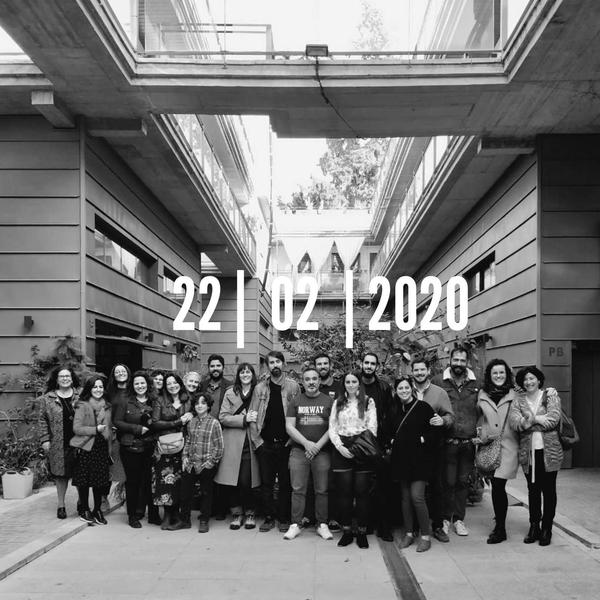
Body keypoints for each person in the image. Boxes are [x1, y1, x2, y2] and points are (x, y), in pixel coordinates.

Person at [509, 366, 562, 546]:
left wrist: (529, 421)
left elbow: (553, 420)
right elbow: (515, 423)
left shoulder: (550, 396)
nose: (529, 382)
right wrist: (539, 419)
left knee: (549, 491)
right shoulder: (518, 401)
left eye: (532, 378)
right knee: (533, 490)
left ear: (539, 380)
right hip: (528, 453)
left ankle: (547, 528)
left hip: (550, 452)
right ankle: (534, 526)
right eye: (525, 379)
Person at [249, 350, 300, 533]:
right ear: (267, 366)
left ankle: (283, 518)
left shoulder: (293, 387)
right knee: (267, 483)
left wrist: (293, 440)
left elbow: (298, 415)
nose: (275, 365)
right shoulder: (259, 389)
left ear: (283, 364)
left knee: (286, 483)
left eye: (278, 361)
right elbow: (252, 416)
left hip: (287, 444)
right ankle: (269, 517)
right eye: (271, 362)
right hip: (266, 444)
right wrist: (258, 442)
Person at [432, 346, 480, 537]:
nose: (458, 364)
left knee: (462, 482)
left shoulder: (477, 383)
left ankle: (459, 519)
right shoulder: (438, 381)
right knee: (448, 482)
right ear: (449, 360)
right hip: (447, 441)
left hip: (468, 442)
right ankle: (445, 518)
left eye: (462, 360)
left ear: (467, 362)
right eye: (456, 360)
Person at [283, 366, 334, 541]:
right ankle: (295, 524)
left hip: (322, 451)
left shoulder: (329, 401)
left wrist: (317, 446)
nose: (311, 382)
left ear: (319, 381)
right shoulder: (295, 401)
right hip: (299, 451)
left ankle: (322, 524)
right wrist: (306, 443)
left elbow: (333, 428)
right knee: (298, 489)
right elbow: (289, 427)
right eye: (307, 379)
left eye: (314, 379)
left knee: (322, 490)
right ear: (302, 382)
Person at [328, 371, 378, 549]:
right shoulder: (338, 402)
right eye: (347, 382)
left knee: (362, 492)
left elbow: (372, 427)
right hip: (342, 448)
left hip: (362, 448)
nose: (350, 384)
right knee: (344, 493)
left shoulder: (368, 401)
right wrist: (340, 447)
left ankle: (362, 532)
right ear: (344, 384)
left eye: (354, 381)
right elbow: (332, 427)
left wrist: (356, 449)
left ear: (359, 383)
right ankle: (347, 531)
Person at [476, 358, 519, 544]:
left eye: (502, 372)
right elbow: (478, 418)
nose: (498, 376)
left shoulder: (515, 394)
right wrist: (481, 434)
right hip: (489, 445)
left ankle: (500, 528)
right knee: (496, 486)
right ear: (489, 375)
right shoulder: (482, 394)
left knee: (499, 485)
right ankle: (499, 524)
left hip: (509, 446)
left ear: (507, 374)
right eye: (495, 373)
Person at [411, 358, 454, 543]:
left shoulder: (439, 392)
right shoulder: (406, 390)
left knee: (437, 486)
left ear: (428, 371)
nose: (419, 373)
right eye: (416, 370)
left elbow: (450, 416)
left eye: (422, 369)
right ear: (412, 372)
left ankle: (437, 526)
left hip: (434, 447)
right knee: (413, 488)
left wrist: (443, 420)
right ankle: (414, 526)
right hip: (412, 448)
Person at [391, 376, 435, 553]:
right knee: (405, 499)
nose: (404, 391)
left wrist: (422, 439)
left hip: (419, 461)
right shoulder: (395, 409)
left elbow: (435, 431)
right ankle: (409, 533)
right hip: (401, 460)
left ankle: (425, 536)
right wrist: (391, 441)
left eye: (406, 388)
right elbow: (388, 430)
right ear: (396, 391)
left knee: (417, 497)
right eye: (400, 388)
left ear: (412, 389)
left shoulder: (423, 407)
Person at [214, 363, 260, 530]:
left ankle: (250, 512)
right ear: (238, 375)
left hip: (251, 440)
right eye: (242, 372)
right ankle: (236, 513)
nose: (245, 374)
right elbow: (223, 417)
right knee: (232, 480)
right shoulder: (230, 392)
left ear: (252, 374)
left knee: (247, 480)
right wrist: (243, 419)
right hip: (233, 441)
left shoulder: (259, 391)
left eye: (248, 372)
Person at [113, 370, 157, 528]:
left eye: (142, 383)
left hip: (150, 446)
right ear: (132, 385)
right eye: (136, 383)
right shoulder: (126, 401)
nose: (140, 386)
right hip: (130, 446)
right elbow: (117, 421)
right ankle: (132, 516)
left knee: (149, 481)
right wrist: (136, 429)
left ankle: (152, 514)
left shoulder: (154, 400)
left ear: (147, 384)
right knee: (133, 482)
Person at [151, 372, 193, 530]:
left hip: (183, 445)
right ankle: (167, 515)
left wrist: (192, 414)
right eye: (168, 383)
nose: (172, 386)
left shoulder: (188, 399)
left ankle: (177, 514)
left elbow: (196, 414)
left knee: (180, 481)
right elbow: (155, 422)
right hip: (165, 446)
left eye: (174, 382)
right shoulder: (159, 400)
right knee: (165, 481)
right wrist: (178, 421)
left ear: (180, 384)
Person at [360, 352, 395, 541]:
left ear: (377, 367)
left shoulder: (383, 387)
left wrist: (388, 441)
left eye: (372, 363)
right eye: (366, 362)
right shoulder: (353, 383)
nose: (369, 366)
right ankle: (366, 523)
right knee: (363, 486)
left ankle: (384, 527)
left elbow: (389, 414)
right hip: (358, 443)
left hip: (379, 443)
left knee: (383, 486)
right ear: (361, 364)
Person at [38, 366, 80, 519]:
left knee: (80, 474)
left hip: (80, 442)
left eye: (67, 376)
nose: (65, 379)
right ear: (56, 379)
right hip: (58, 443)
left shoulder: (81, 395)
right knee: (60, 475)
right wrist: (45, 439)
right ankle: (61, 505)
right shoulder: (47, 398)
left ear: (72, 378)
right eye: (62, 376)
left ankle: (81, 502)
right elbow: (42, 420)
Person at [178, 394, 224, 532]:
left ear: (208, 406)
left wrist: (211, 462)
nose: (200, 405)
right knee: (185, 493)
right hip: (191, 462)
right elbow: (188, 441)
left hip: (206, 463)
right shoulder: (191, 422)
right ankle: (185, 520)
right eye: (197, 403)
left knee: (206, 493)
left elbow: (219, 446)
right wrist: (184, 457)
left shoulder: (214, 423)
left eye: (203, 403)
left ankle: (204, 520)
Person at [70, 374, 112, 525]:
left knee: (99, 481)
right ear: (89, 389)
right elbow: (77, 428)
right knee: (84, 480)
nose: (98, 389)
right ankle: (85, 509)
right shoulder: (82, 405)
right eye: (95, 387)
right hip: (86, 447)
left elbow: (109, 426)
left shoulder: (107, 406)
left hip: (101, 446)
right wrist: (95, 429)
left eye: (101, 387)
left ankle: (97, 510)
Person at [199, 355, 233, 519]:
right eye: (212, 366)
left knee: (222, 471)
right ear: (209, 368)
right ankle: (209, 508)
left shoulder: (230, 386)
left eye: (218, 365)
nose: (215, 369)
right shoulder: (203, 385)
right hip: (205, 434)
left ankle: (222, 508)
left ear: (223, 367)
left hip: (223, 432)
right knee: (207, 472)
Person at [314, 352, 342, 532]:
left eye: (325, 363)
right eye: (319, 364)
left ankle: (333, 517)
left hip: (334, 442)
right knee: (314, 481)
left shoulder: (339, 386)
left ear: (330, 366)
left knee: (333, 481)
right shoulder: (311, 385)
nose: (322, 366)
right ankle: (312, 516)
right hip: (314, 441)